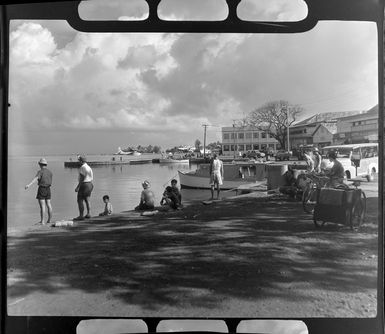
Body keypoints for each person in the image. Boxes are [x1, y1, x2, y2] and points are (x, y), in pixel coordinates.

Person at [25, 158, 53, 225]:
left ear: (40, 164)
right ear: (46, 164)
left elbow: (35, 179)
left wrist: (28, 185)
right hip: (48, 189)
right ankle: (49, 220)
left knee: (42, 206)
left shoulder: (40, 171)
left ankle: (42, 221)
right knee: (49, 205)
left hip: (42, 189)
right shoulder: (50, 172)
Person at [74, 155, 94, 220]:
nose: (78, 162)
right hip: (90, 184)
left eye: (79, 160)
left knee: (80, 200)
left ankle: (81, 215)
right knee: (87, 200)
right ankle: (89, 213)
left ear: (81, 161)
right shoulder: (89, 167)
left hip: (84, 184)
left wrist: (77, 187)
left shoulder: (83, 167)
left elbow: (82, 178)